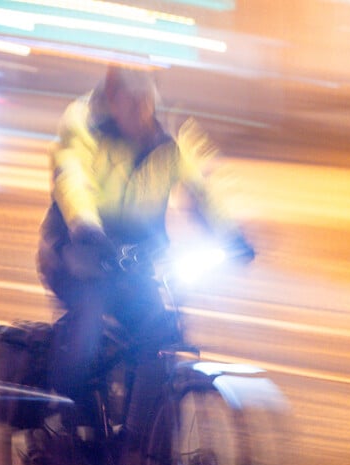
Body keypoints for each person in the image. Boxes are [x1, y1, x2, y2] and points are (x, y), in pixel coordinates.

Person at [37, 65, 250, 413]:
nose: (141, 109)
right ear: (113, 101)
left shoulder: (171, 140)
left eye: (146, 99)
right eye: (131, 100)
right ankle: (64, 413)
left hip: (134, 263)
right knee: (86, 331)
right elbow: (73, 178)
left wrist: (232, 234)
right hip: (76, 254)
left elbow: (204, 188)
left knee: (161, 337)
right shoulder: (85, 126)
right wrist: (85, 224)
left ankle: (149, 437)